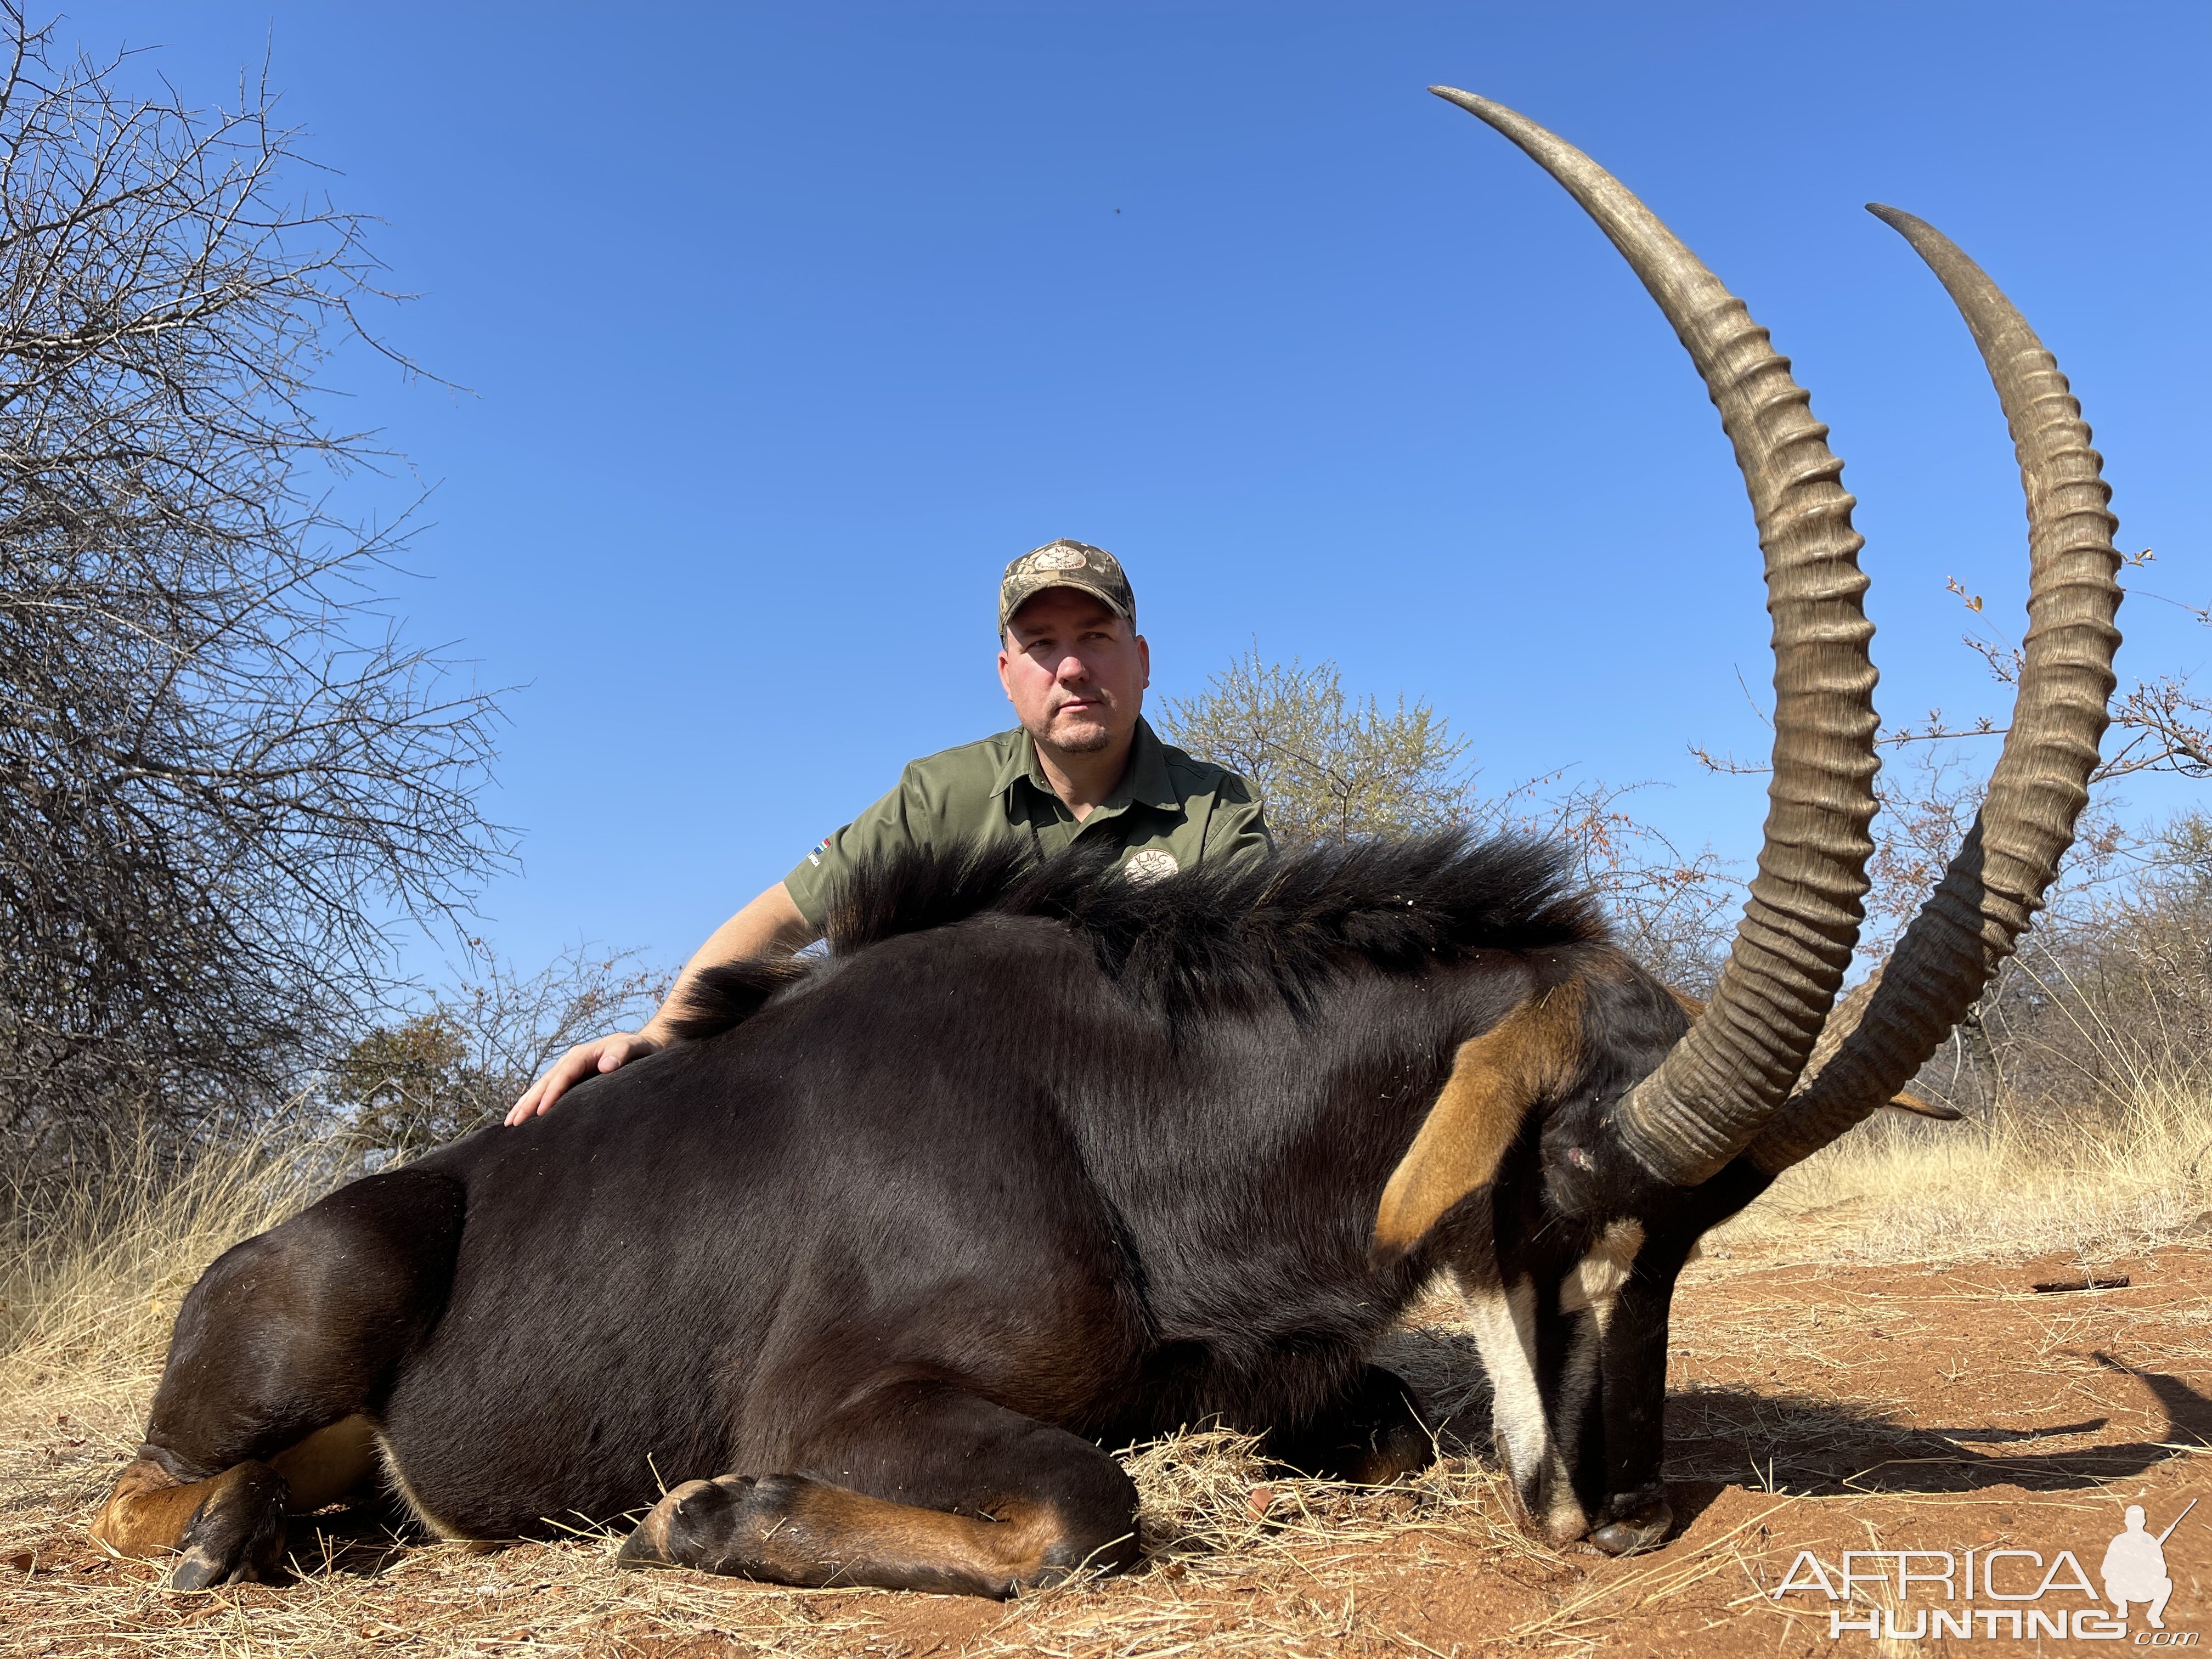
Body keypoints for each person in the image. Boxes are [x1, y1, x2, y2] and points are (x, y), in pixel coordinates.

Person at [507, 539, 1274, 1122]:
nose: (1071, 668)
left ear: (1140, 662)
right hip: (957, 1129)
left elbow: (1249, 1015)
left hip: (1147, 1118)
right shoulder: (938, 795)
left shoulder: (1218, 808)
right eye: (1041, 645)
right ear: (1007, 677)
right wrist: (662, 1035)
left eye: (1096, 638)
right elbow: (784, 917)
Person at [2101, 1503, 2174, 1628]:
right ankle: (2122, 1606)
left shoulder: (2151, 1541)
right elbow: (2106, 1570)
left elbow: (2162, 1570)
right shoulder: (2119, 1541)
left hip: (2145, 1589)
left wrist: (2146, 1570)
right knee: (2110, 1581)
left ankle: (2154, 1615)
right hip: (2124, 1588)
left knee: (2166, 1583)